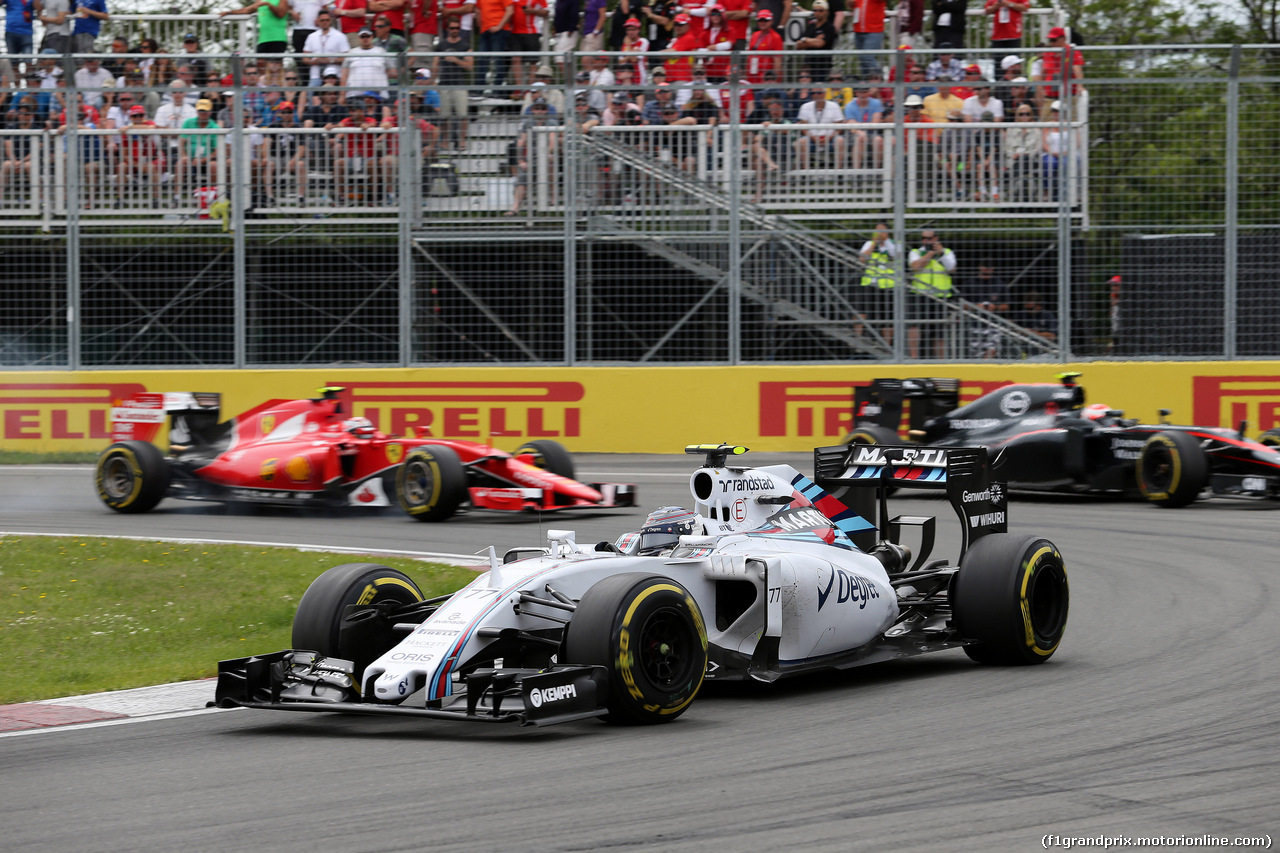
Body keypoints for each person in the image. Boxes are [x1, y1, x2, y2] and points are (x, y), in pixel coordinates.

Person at [907, 228, 956, 357]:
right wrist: (930, 254)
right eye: (923, 238)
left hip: (940, 296)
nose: (926, 241)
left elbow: (951, 268)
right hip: (919, 294)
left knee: (939, 331)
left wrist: (940, 254)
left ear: (936, 238)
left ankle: (940, 359)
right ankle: (914, 358)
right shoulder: (916, 252)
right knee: (914, 326)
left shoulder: (947, 252)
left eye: (929, 238)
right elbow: (916, 267)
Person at [432, 18, 473, 150]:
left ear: (459, 29)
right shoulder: (441, 45)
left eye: (457, 28)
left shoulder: (465, 45)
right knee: (444, 116)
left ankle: (462, 141)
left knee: (463, 115)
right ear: (447, 29)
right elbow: (435, 63)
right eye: (452, 28)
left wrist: (456, 60)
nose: (454, 30)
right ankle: (445, 141)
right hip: (444, 83)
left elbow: (469, 66)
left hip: (459, 84)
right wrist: (433, 80)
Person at [962, 81, 1002, 200]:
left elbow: (995, 148)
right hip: (981, 156)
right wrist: (984, 160)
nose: (977, 91)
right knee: (980, 166)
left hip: (993, 156)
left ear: (987, 89)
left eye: (980, 88)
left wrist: (988, 160)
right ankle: (982, 191)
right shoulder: (979, 134)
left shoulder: (995, 134)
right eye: (976, 88)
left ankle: (995, 192)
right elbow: (978, 146)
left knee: (992, 166)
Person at [178, 98, 221, 205]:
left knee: (213, 165)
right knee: (180, 163)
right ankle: (176, 196)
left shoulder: (215, 127)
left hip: (207, 159)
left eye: (205, 111)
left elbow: (216, 152)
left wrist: (202, 160)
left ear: (210, 112)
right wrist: (184, 156)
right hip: (190, 158)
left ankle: (214, 196)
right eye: (200, 111)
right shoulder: (188, 123)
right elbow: (181, 142)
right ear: (197, 111)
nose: (203, 113)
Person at [964, 260, 1011, 357]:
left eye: (989, 266)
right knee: (976, 355)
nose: (987, 269)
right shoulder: (970, 283)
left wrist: (995, 307)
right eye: (985, 266)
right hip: (974, 325)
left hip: (993, 324)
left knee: (991, 350)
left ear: (993, 268)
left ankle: (986, 369)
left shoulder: (999, 284)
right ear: (979, 267)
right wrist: (975, 307)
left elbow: (1007, 306)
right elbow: (961, 304)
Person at [1036, 26, 1083, 119]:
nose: (1052, 43)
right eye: (1050, 40)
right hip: (1050, 97)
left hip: (1068, 97)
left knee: (1071, 124)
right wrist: (1041, 88)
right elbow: (1044, 71)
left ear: (1063, 39)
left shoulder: (1073, 52)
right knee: (1045, 124)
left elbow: (1077, 69)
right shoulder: (1048, 53)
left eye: (1054, 40)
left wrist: (1080, 86)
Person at [748, 96, 790, 202]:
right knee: (757, 154)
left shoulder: (787, 122)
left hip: (784, 158)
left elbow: (786, 131)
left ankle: (770, 164)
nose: (774, 112)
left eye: (776, 109)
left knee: (759, 157)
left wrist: (772, 126)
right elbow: (757, 138)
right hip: (767, 157)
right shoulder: (766, 124)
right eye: (772, 110)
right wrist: (758, 135)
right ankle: (758, 194)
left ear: (782, 110)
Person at [793, 87, 845, 171]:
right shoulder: (805, 106)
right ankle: (806, 173)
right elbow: (803, 128)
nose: (816, 95)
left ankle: (838, 172)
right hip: (812, 140)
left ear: (824, 94)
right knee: (802, 142)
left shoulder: (834, 106)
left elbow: (839, 127)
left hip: (830, 139)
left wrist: (828, 138)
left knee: (840, 140)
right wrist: (814, 138)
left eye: (818, 93)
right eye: (813, 93)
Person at [342, 27, 392, 103]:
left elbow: (391, 71)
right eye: (362, 36)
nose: (365, 38)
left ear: (372, 37)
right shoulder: (351, 53)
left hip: (378, 96)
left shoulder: (382, 52)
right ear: (359, 38)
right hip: (355, 95)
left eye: (367, 36)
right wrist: (342, 95)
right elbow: (344, 75)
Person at [221, 0, 291, 54]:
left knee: (275, 67)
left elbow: (281, 13)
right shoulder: (260, 0)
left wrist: (268, 4)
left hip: (277, 38)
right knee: (260, 66)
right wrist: (229, 12)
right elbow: (248, 10)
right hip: (263, 39)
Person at [843, 81, 884, 171]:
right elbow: (851, 126)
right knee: (859, 138)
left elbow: (875, 124)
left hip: (872, 133)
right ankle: (856, 174)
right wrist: (860, 131)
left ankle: (877, 172)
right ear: (856, 93)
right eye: (860, 92)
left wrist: (858, 126)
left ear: (869, 92)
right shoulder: (849, 106)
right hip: (855, 134)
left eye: (865, 91)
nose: (863, 94)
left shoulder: (876, 103)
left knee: (878, 140)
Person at [1002, 101, 1038, 202]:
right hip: (1014, 160)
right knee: (1022, 160)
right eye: (1021, 114)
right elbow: (1007, 148)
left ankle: (1014, 192)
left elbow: (1037, 148)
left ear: (1031, 115)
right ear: (1017, 116)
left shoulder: (1036, 129)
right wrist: (1013, 155)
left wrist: (1028, 154)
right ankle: (1028, 196)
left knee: (1025, 158)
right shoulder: (1011, 129)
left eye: (1027, 114)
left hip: (1031, 160)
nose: (1024, 116)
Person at [475, 0, 513, 92]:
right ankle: (479, 90)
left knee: (498, 61)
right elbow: (477, 9)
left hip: (499, 31)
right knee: (481, 60)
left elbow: (510, 10)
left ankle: (497, 90)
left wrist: (499, 26)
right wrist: (481, 26)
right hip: (485, 31)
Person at [794, 0, 837, 82]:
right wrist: (813, 40)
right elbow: (798, 45)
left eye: (820, 10)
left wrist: (806, 40)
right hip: (808, 68)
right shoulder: (811, 26)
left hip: (822, 67)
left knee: (818, 91)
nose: (817, 12)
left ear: (826, 12)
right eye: (815, 10)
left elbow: (820, 44)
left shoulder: (829, 27)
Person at [984, 0, 1028, 71]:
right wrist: (996, 5)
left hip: (1014, 34)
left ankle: (1015, 80)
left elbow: (1025, 7)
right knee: (998, 64)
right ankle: (999, 81)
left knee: (1015, 63)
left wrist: (1010, 4)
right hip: (997, 35)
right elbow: (987, 11)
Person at [850, 0, 887, 78]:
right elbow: (851, 5)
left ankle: (878, 83)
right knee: (862, 60)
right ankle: (867, 85)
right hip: (858, 30)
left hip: (874, 30)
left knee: (868, 57)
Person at [745, 9, 782, 84]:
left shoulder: (775, 37)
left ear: (771, 21)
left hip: (766, 79)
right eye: (760, 20)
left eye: (765, 20)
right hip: (752, 77)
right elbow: (749, 57)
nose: (762, 23)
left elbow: (777, 61)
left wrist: (774, 80)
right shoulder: (755, 35)